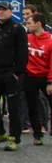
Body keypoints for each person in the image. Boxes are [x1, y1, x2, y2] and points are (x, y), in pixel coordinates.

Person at [0, 0, 29, 152]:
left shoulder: (18, 29)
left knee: (13, 108)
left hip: (11, 73)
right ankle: (0, 132)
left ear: (10, 11)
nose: (1, 12)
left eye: (4, 9)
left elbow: (23, 53)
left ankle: (14, 138)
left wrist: (17, 73)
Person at [23, 13, 52, 146]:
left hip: (45, 77)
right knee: (32, 106)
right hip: (29, 77)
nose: (27, 26)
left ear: (38, 24)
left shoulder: (50, 41)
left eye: (29, 23)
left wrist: (50, 82)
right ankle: (37, 135)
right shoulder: (26, 38)